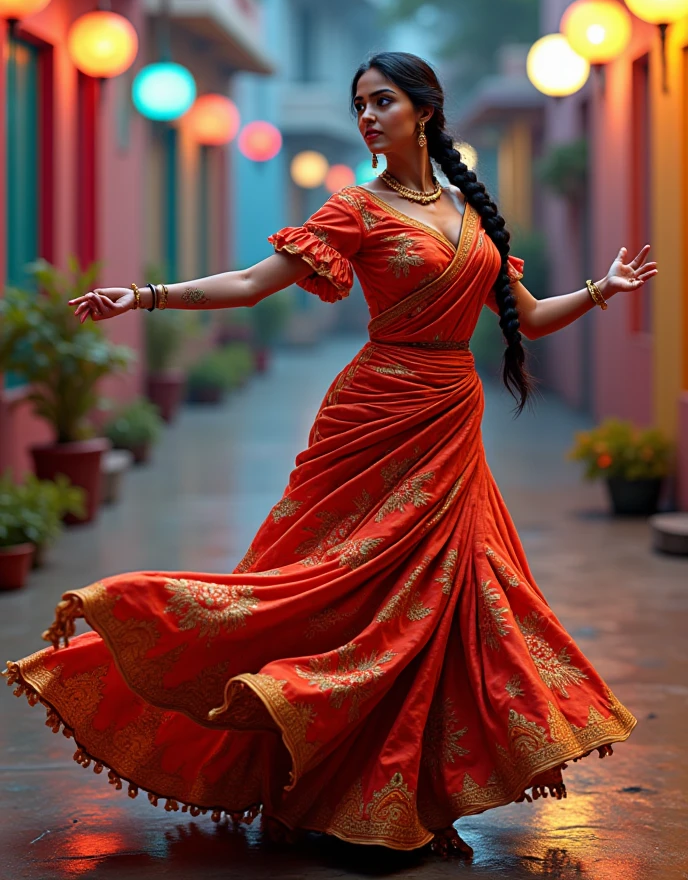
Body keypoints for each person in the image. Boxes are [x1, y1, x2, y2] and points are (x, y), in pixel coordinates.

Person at [5, 53, 656, 859]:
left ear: (424, 110)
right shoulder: (356, 207)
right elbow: (252, 283)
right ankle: (310, 759)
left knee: (444, 596)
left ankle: (399, 789)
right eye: (359, 106)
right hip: (373, 415)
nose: (367, 118)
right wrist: (145, 296)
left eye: (382, 102)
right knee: (338, 583)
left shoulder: (471, 209)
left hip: (450, 414)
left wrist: (601, 291)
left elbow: (524, 313)